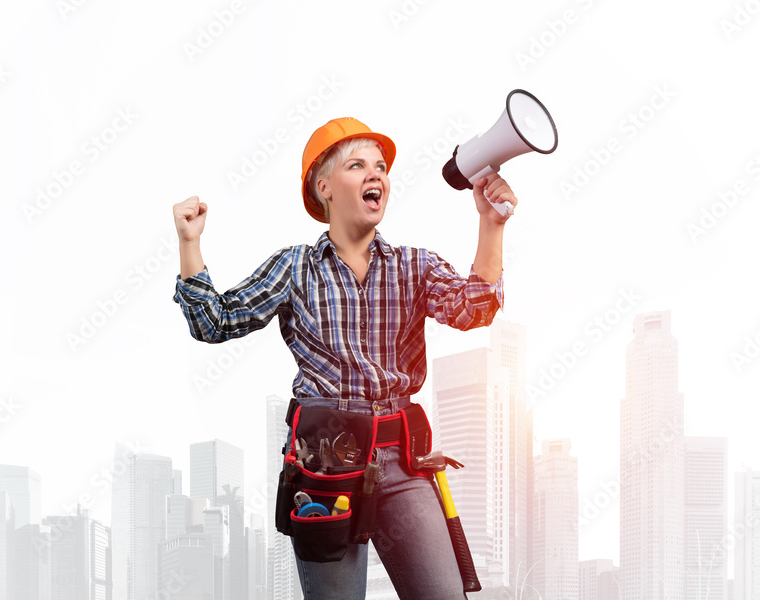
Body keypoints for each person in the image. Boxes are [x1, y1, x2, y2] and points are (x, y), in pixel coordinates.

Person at [172, 117, 516, 599]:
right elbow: (215, 322)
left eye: (380, 166)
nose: (375, 174)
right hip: (323, 465)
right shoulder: (295, 267)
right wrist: (191, 244)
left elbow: (474, 309)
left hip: (403, 461)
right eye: (357, 165)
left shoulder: (414, 267)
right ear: (324, 187)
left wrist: (491, 222)